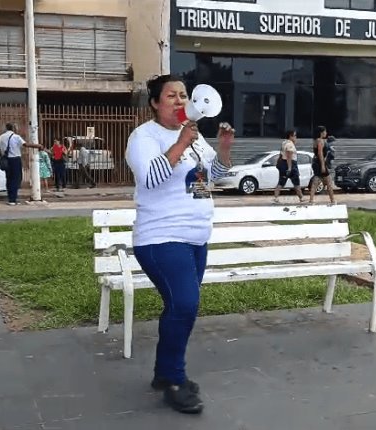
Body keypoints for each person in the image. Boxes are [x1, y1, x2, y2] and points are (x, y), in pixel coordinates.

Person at [125, 74, 234, 414]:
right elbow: (150, 178)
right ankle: (174, 380)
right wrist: (180, 144)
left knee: (179, 307)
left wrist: (225, 150)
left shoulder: (196, 138)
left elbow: (204, 181)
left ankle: (164, 372)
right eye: (171, 96)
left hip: (194, 237)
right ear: (155, 103)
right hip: (161, 236)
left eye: (183, 95)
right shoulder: (143, 137)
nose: (179, 101)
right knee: (185, 304)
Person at [0, 123, 42, 206]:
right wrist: (37, 146)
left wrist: (3, 156)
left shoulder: (1, 137)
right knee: (16, 179)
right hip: (15, 160)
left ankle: (10, 198)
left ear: (6, 128)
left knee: (9, 179)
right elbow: (26, 145)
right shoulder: (16, 137)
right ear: (13, 128)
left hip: (7, 160)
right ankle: (13, 199)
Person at [273, 129, 304, 203]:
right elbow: (289, 157)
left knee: (281, 182)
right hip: (290, 164)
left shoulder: (284, 142)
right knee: (296, 182)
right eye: (295, 135)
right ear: (291, 136)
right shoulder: (290, 145)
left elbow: (281, 153)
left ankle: (276, 197)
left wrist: (279, 163)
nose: (296, 137)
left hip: (283, 163)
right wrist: (290, 168)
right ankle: (301, 198)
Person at [309, 125, 336, 205]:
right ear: (321, 132)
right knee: (329, 182)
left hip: (315, 162)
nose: (326, 133)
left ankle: (311, 200)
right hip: (320, 163)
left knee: (316, 181)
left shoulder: (315, 140)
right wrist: (323, 165)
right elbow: (320, 153)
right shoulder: (320, 141)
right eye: (325, 131)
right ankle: (332, 201)